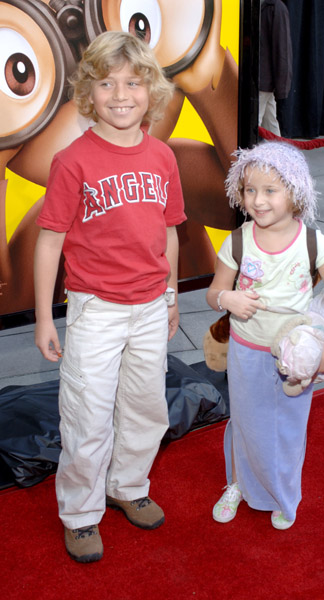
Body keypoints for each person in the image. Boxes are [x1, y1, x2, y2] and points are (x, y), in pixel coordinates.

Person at [34, 31, 186, 563]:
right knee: (87, 414)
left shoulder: (163, 157)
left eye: (133, 82)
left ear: (151, 90)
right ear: (87, 93)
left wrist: (170, 295)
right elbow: (50, 240)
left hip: (149, 307)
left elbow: (169, 231)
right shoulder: (73, 161)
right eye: (106, 83)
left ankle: (128, 484)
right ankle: (79, 513)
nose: (121, 94)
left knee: (146, 408)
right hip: (94, 309)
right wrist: (43, 318)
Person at [206, 141, 324, 529]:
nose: (258, 200)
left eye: (270, 190)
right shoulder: (237, 241)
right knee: (245, 420)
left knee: (288, 427)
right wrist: (228, 298)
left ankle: (281, 493)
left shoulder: (312, 243)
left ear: (296, 192)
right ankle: (237, 484)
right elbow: (213, 293)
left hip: (296, 357)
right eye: (250, 190)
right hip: (246, 350)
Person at [258, 0, 293, 135]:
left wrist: (282, 85)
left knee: (254, 125)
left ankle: (247, 156)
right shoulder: (261, 6)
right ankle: (280, 154)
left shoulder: (276, 8)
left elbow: (282, 49)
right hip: (260, 79)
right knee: (270, 123)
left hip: (263, 80)